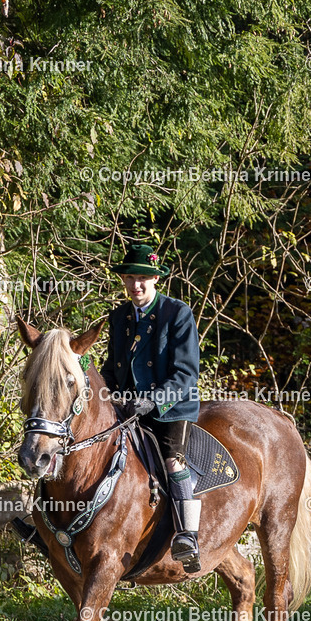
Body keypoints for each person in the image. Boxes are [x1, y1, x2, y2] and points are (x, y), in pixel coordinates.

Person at [100, 244, 202, 573]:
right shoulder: (119, 317)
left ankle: (188, 536)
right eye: (130, 278)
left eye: (143, 278)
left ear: (156, 279)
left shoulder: (177, 313)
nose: (136, 285)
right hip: (129, 406)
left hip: (171, 408)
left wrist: (154, 400)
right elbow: (112, 369)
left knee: (172, 462)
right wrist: (104, 395)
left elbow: (186, 373)